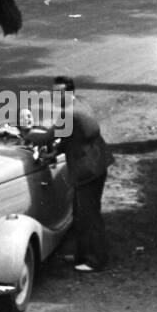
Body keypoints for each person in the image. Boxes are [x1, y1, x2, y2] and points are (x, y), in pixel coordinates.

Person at [51, 76, 110, 271]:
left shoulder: (69, 113)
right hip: (96, 162)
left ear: (68, 93)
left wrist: (26, 132)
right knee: (80, 212)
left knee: (88, 215)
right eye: (54, 92)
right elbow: (73, 137)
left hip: (88, 169)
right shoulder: (81, 103)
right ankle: (81, 255)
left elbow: (47, 137)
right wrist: (57, 151)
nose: (55, 96)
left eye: (59, 93)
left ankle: (95, 260)